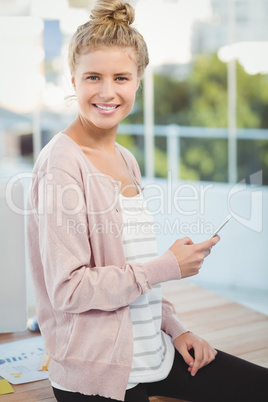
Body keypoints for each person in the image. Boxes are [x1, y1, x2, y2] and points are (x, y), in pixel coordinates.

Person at [27, 1, 268, 401]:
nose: (107, 92)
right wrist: (165, 267)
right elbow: (68, 290)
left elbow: (131, 272)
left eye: (121, 77)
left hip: (154, 354)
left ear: (138, 80)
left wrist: (175, 327)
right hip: (100, 374)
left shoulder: (126, 159)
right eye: (93, 77)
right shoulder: (61, 165)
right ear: (73, 80)